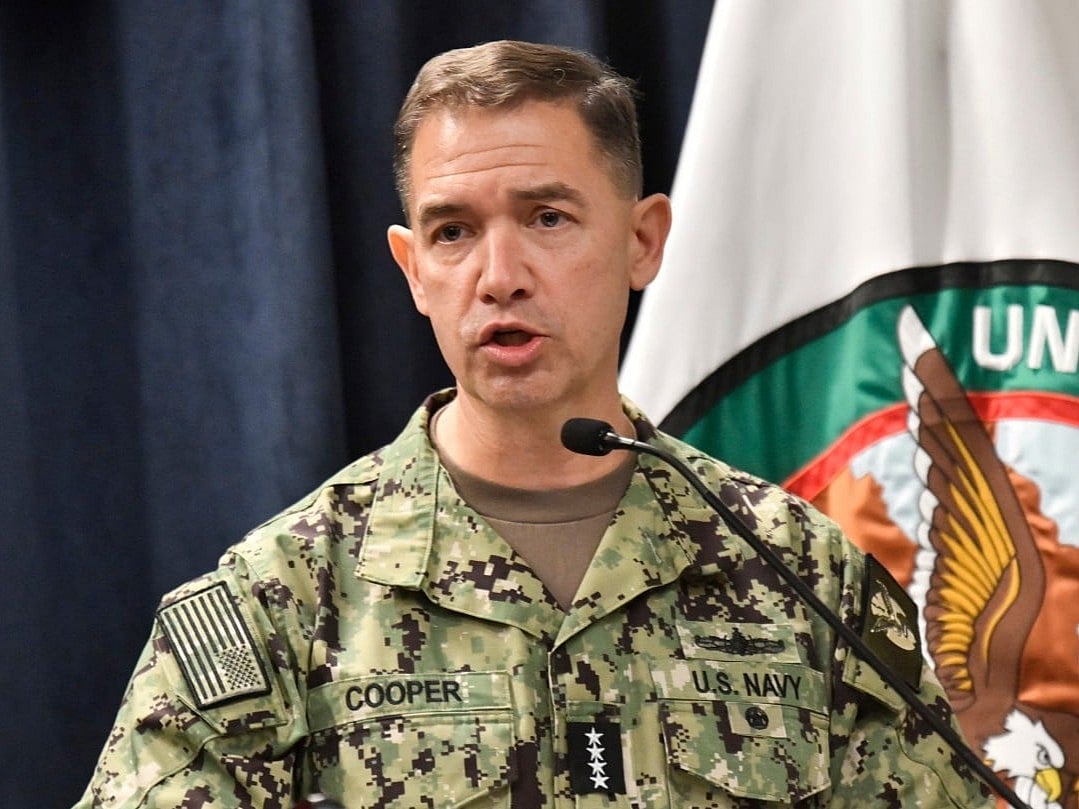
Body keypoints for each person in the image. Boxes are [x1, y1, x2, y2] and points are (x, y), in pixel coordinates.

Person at [75, 40, 993, 809]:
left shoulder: (802, 576)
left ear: (642, 241)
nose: (498, 273)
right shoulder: (283, 603)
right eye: (451, 231)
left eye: (546, 217)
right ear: (411, 270)